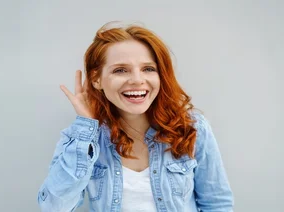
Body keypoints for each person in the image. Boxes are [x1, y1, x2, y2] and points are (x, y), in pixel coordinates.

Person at [37, 21, 234, 212]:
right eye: (120, 70)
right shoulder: (81, 138)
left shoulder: (192, 127)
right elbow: (54, 207)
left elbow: (217, 204)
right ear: (97, 79)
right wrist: (86, 127)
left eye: (148, 69)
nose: (137, 80)